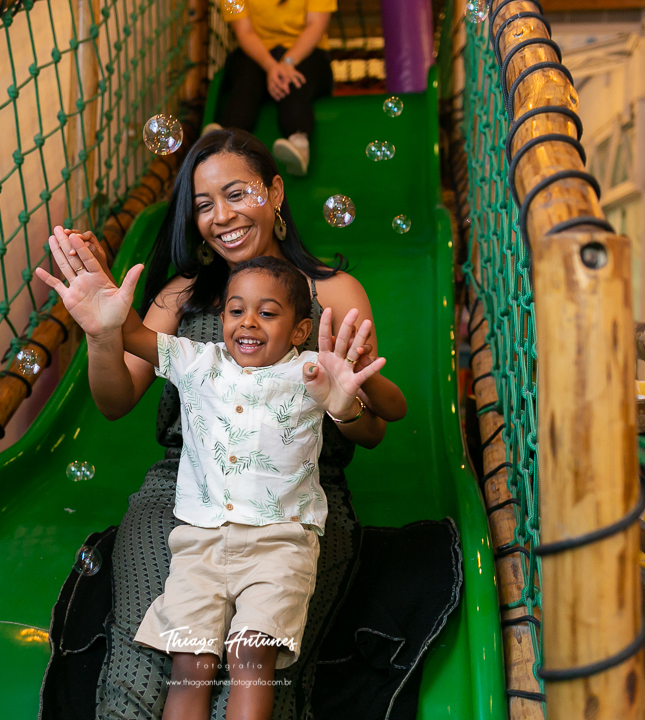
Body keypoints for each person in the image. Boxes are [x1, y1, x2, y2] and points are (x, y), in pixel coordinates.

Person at [38, 127, 406, 720]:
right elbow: (113, 400)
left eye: (237, 194)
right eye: (204, 205)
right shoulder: (181, 298)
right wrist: (103, 331)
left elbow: (371, 428)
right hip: (186, 499)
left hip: (295, 509)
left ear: (276, 192)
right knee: (153, 661)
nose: (222, 217)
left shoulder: (332, 293)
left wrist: (348, 404)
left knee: (256, 675)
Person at [209, 0, 336, 176]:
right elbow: (243, 31)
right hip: (256, 52)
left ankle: (299, 144)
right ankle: (222, 143)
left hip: (305, 51)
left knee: (295, 84)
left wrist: (287, 62)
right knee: (246, 84)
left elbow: (316, 24)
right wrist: (271, 66)